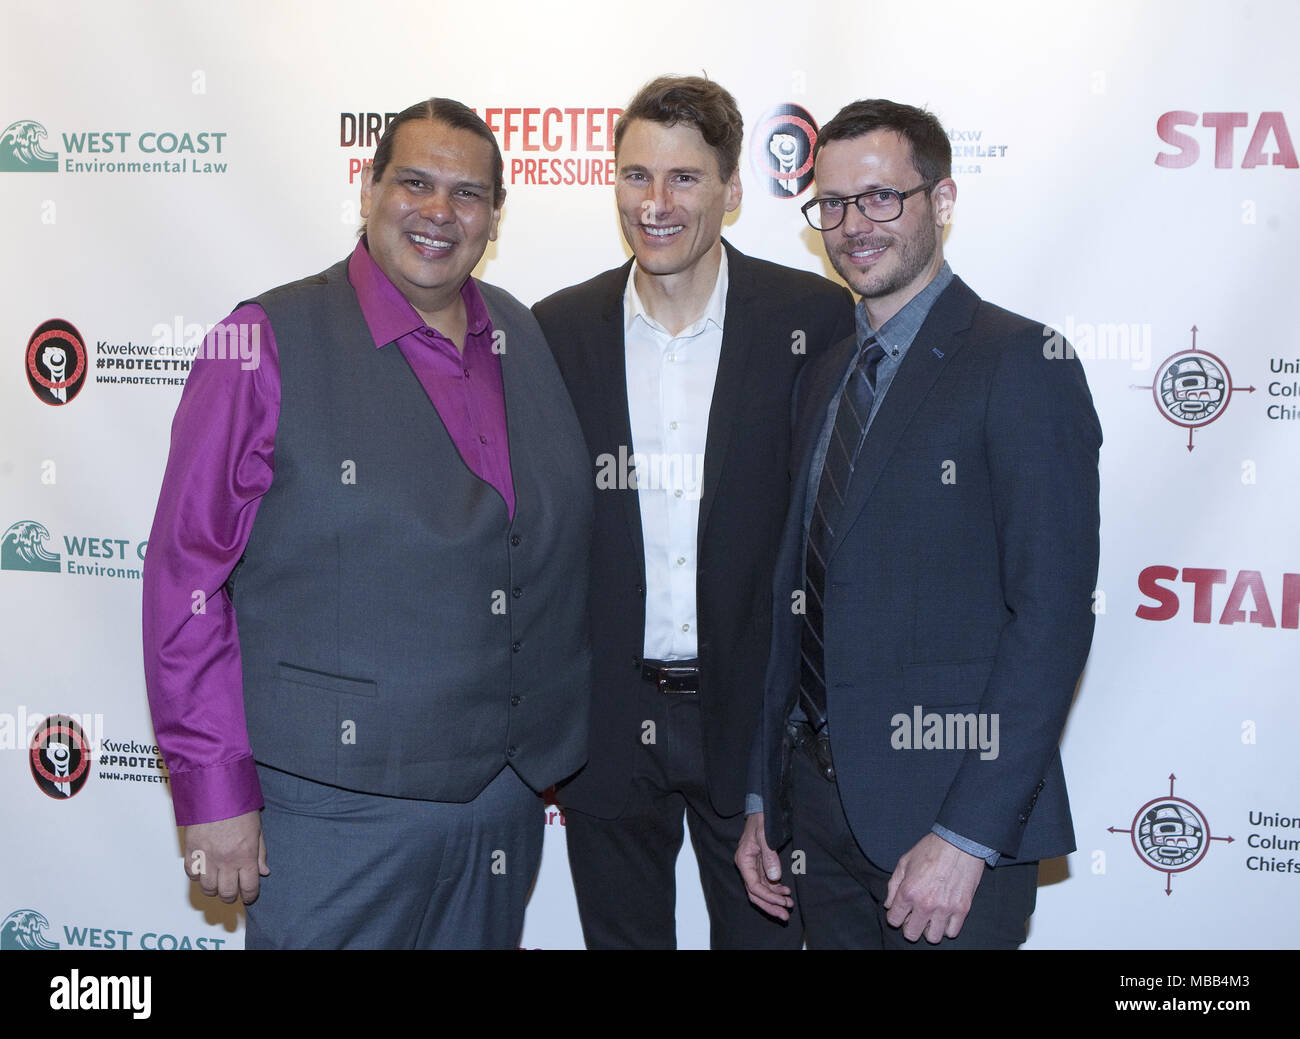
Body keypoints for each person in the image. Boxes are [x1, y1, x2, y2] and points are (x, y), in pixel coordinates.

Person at [142, 98, 592, 949]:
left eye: (467, 194)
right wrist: (213, 792)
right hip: (331, 812)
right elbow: (186, 581)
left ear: (495, 217)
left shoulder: (521, 334)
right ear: (367, 187)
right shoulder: (262, 342)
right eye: (414, 183)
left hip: (499, 806)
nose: (438, 212)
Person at [737, 99, 1102, 949]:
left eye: (880, 198)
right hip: (818, 825)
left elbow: (1049, 619)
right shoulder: (824, 372)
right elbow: (796, 597)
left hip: (944, 833)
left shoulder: (1020, 362)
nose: (853, 224)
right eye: (832, 204)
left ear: (940, 201)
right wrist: (765, 796)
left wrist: (967, 837)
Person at [533, 75, 854, 949]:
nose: (656, 203)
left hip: (754, 724)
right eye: (637, 176)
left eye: (683, 178)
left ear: (733, 191)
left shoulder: (815, 319)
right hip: (605, 720)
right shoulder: (556, 330)